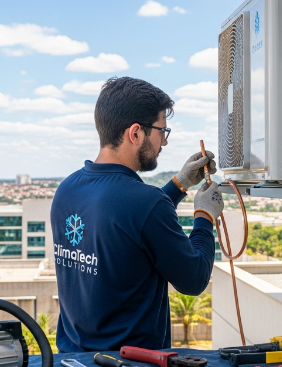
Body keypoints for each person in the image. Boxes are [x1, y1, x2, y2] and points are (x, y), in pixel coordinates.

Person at [51, 77, 224, 352]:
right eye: (161, 131)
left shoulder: (67, 189)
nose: (164, 142)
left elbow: (129, 224)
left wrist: (179, 184)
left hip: (72, 362)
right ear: (135, 133)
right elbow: (193, 279)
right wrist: (205, 216)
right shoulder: (144, 203)